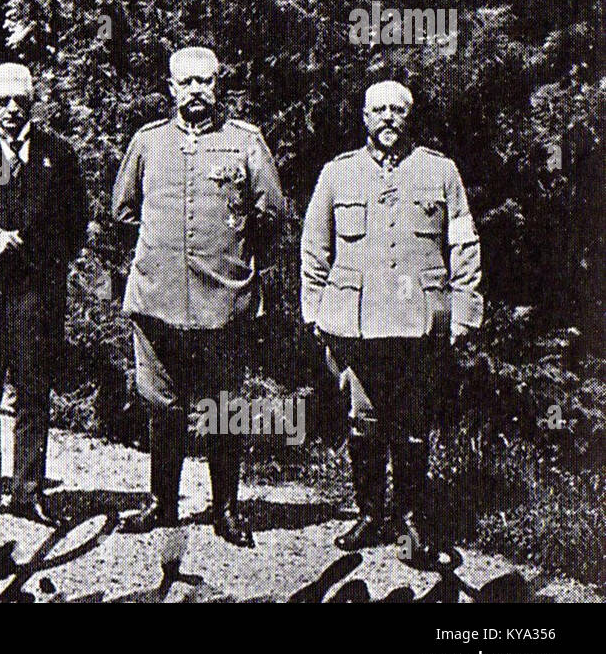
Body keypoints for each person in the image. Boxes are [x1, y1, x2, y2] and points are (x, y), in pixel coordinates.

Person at [112, 46, 288, 547]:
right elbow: (123, 210)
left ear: (218, 85)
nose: (195, 91)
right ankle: (161, 503)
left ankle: (226, 508)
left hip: (221, 300)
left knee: (222, 405)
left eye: (204, 82)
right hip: (157, 298)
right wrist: (160, 253)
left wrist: (231, 253)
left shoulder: (244, 142)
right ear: (171, 88)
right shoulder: (148, 142)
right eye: (185, 83)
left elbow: (270, 213)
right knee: (161, 402)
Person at [301, 80, 482, 563]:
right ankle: (369, 512)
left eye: (396, 110)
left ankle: (410, 516)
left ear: (409, 117)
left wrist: (464, 308)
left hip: (418, 321)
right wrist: (314, 310)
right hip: (356, 321)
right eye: (377, 110)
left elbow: (463, 243)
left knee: (413, 422)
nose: (387, 118)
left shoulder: (440, 171)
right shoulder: (338, 174)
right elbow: (315, 248)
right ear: (363, 117)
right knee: (362, 419)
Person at [0, 62, 88, 526]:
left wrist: (39, 251)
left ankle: (28, 492)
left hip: (35, 296)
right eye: (2, 101)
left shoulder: (58, 155)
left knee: (32, 391)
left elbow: (74, 227)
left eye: (20, 101)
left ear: (33, 103)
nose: (11, 110)